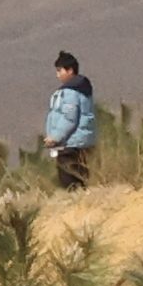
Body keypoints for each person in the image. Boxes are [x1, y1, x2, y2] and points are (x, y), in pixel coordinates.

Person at [44, 54, 99, 190]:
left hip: (71, 144)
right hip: (82, 142)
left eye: (59, 70)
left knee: (70, 184)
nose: (57, 75)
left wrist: (55, 137)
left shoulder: (70, 93)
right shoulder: (81, 90)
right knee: (82, 179)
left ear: (70, 70)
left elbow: (69, 118)